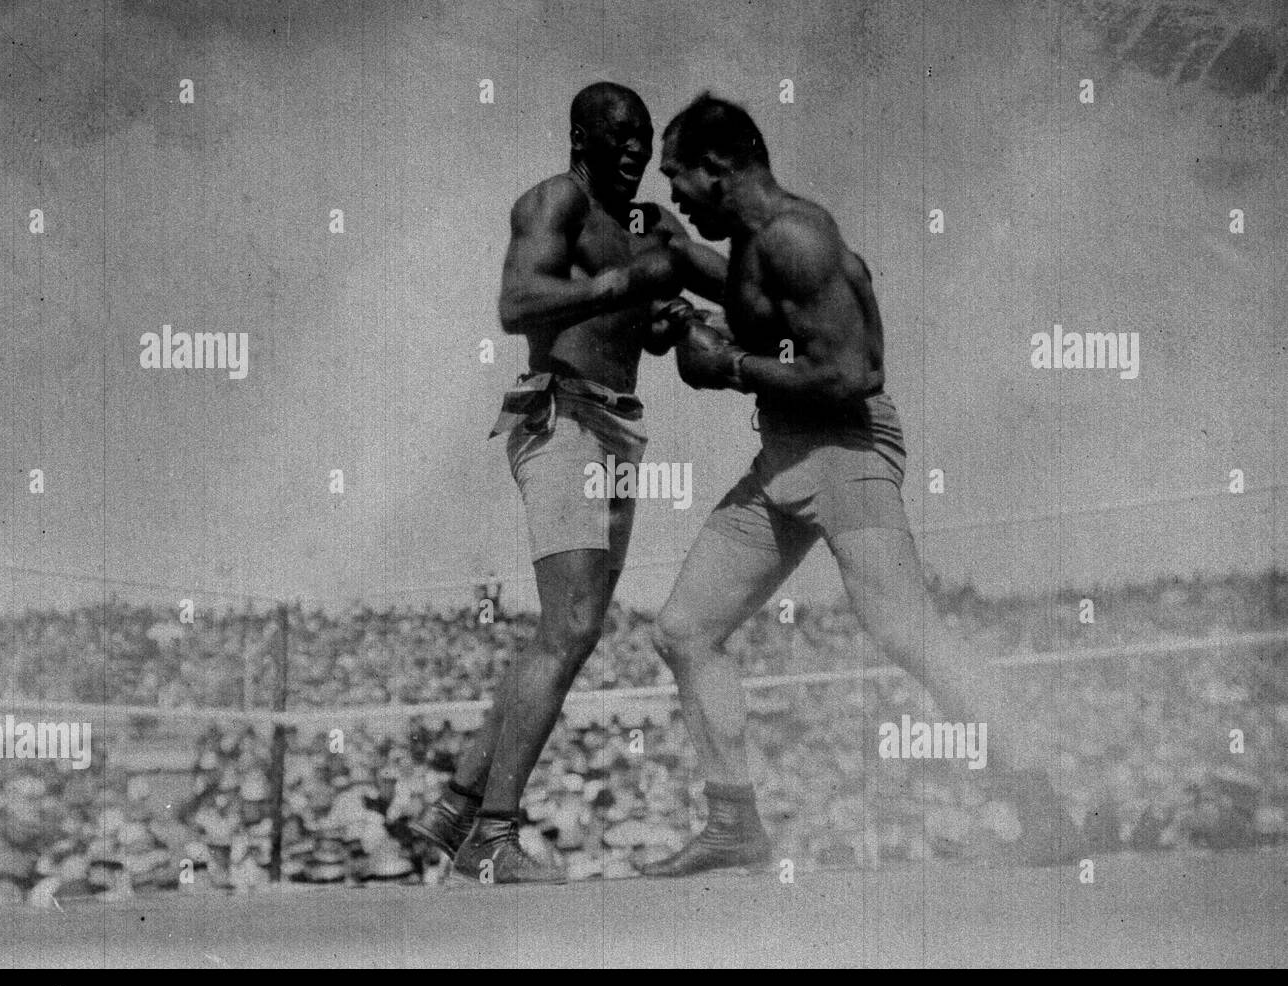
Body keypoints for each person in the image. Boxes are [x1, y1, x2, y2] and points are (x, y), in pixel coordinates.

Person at [640, 94, 1087, 877]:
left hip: (845, 449)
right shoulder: (755, 244)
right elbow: (753, 304)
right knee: (683, 629)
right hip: (782, 457)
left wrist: (730, 365)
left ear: (721, 166)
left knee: (905, 630)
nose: (673, 194)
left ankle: (1044, 808)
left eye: (679, 179)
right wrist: (682, 289)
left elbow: (853, 372)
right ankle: (734, 824)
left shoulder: (798, 238)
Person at [408, 83, 721, 883]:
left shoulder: (647, 224)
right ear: (579, 136)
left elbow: (635, 335)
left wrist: (667, 320)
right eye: (618, 136)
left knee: (568, 630)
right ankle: (493, 834)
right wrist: (615, 288)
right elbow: (517, 303)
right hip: (562, 418)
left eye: (644, 140)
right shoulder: (557, 201)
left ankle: (454, 807)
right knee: (572, 624)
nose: (633, 152)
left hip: (619, 425)